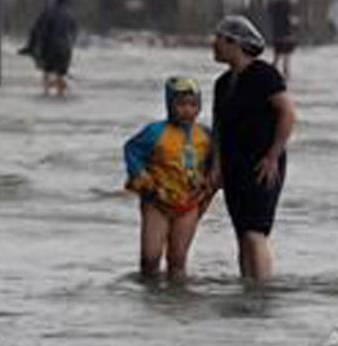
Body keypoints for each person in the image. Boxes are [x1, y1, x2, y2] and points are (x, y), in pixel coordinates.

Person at [210, 15, 296, 283]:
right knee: (241, 234)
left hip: (262, 165)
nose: (213, 45)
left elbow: (287, 113)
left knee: (254, 231)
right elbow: (218, 128)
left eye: (219, 39)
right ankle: (247, 289)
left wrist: (273, 156)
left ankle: (262, 292)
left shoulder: (264, 74)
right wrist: (216, 166)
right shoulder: (222, 83)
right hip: (233, 166)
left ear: (234, 42)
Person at [123, 77, 216, 281]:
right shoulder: (155, 132)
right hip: (157, 201)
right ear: (169, 104)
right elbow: (131, 150)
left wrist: (210, 181)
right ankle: (151, 297)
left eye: (193, 105)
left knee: (177, 258)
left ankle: (176, 302)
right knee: (150, 257)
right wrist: (140, 176)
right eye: (180, 104)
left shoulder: (206, 135)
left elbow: (216, 160)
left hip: (188, 203)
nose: (187, 110)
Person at [21, 0, 77, 97]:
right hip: (65, 50)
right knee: (61, 74)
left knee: (47, 72)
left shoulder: (47, 12)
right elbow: (74, 33)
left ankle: (46, 93)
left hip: (49, 49)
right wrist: (70, 46)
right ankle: (60, 94)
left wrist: (30, 47)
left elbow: (36, 30)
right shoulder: (70, 15)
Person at [268, 0, 298, 79]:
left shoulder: (274, 12)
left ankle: (274, 71)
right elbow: (291, 23)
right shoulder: (286, 12)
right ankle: (285, 72)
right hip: (286, 36)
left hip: (277, 36)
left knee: (277, 56)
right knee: (286, 56)